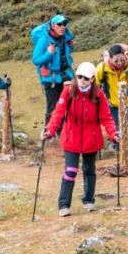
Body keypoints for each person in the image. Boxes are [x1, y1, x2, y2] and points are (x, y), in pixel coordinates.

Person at [41, 61, 118, 217]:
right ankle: (63, 205)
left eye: (86, 78)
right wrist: (49, 130)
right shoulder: (68, 91)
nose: (82, 80)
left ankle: (89, 201)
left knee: (89, 170)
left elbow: (106, 117)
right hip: (71, 138)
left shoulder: (98, 94)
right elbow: (58, 113)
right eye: (79, 77)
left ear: (92, 79)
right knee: (71, 170)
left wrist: (113, 134)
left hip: (92, 138)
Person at [31, 14, 75, 127]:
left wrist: (71, 46)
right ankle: (50, 134)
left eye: (64, 24)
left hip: (67, 76)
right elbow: (36, 60)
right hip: (51, 80)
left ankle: (66, 133)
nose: (62, 27)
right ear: (52, 26)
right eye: (59, 24)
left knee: (69, 105)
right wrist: (48, 54)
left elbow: (65, 56)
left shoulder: (66, 38)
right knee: (53, 107)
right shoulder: (44, 40)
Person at [96, 43, 128, 136]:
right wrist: (99, 99)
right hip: (111, 104)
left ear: (125, 55)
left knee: (125, 125)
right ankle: (115, 146)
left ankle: (122, 147)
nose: (120, 63)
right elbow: (95, 84)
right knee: (116, 128)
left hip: (127, 102)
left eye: (122, 60)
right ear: (110, 58)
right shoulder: (102, 68)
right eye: (116, 61)